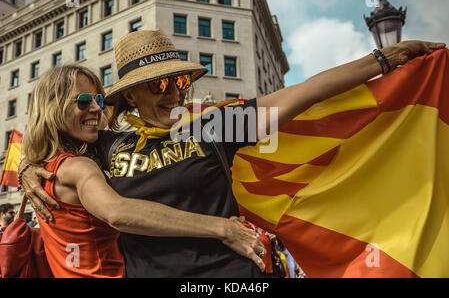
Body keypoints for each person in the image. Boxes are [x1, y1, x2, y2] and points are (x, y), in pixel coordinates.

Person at [22, 29, 446, 277]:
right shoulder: (104, 146)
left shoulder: (214, 125)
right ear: (130, 94)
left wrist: (381, 59)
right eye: (158, 85)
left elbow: (300, 93)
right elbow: (46, 146)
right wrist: (26, 167)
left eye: (180, 83)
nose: (173, 95)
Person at [19, 64, 265, 278]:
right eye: (83, 101)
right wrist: (223, 228)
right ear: (52, 108)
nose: (96, 108)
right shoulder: (78, 166)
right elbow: (117, 212)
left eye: (99, 100)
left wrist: (25, 166)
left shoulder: (45, 165)